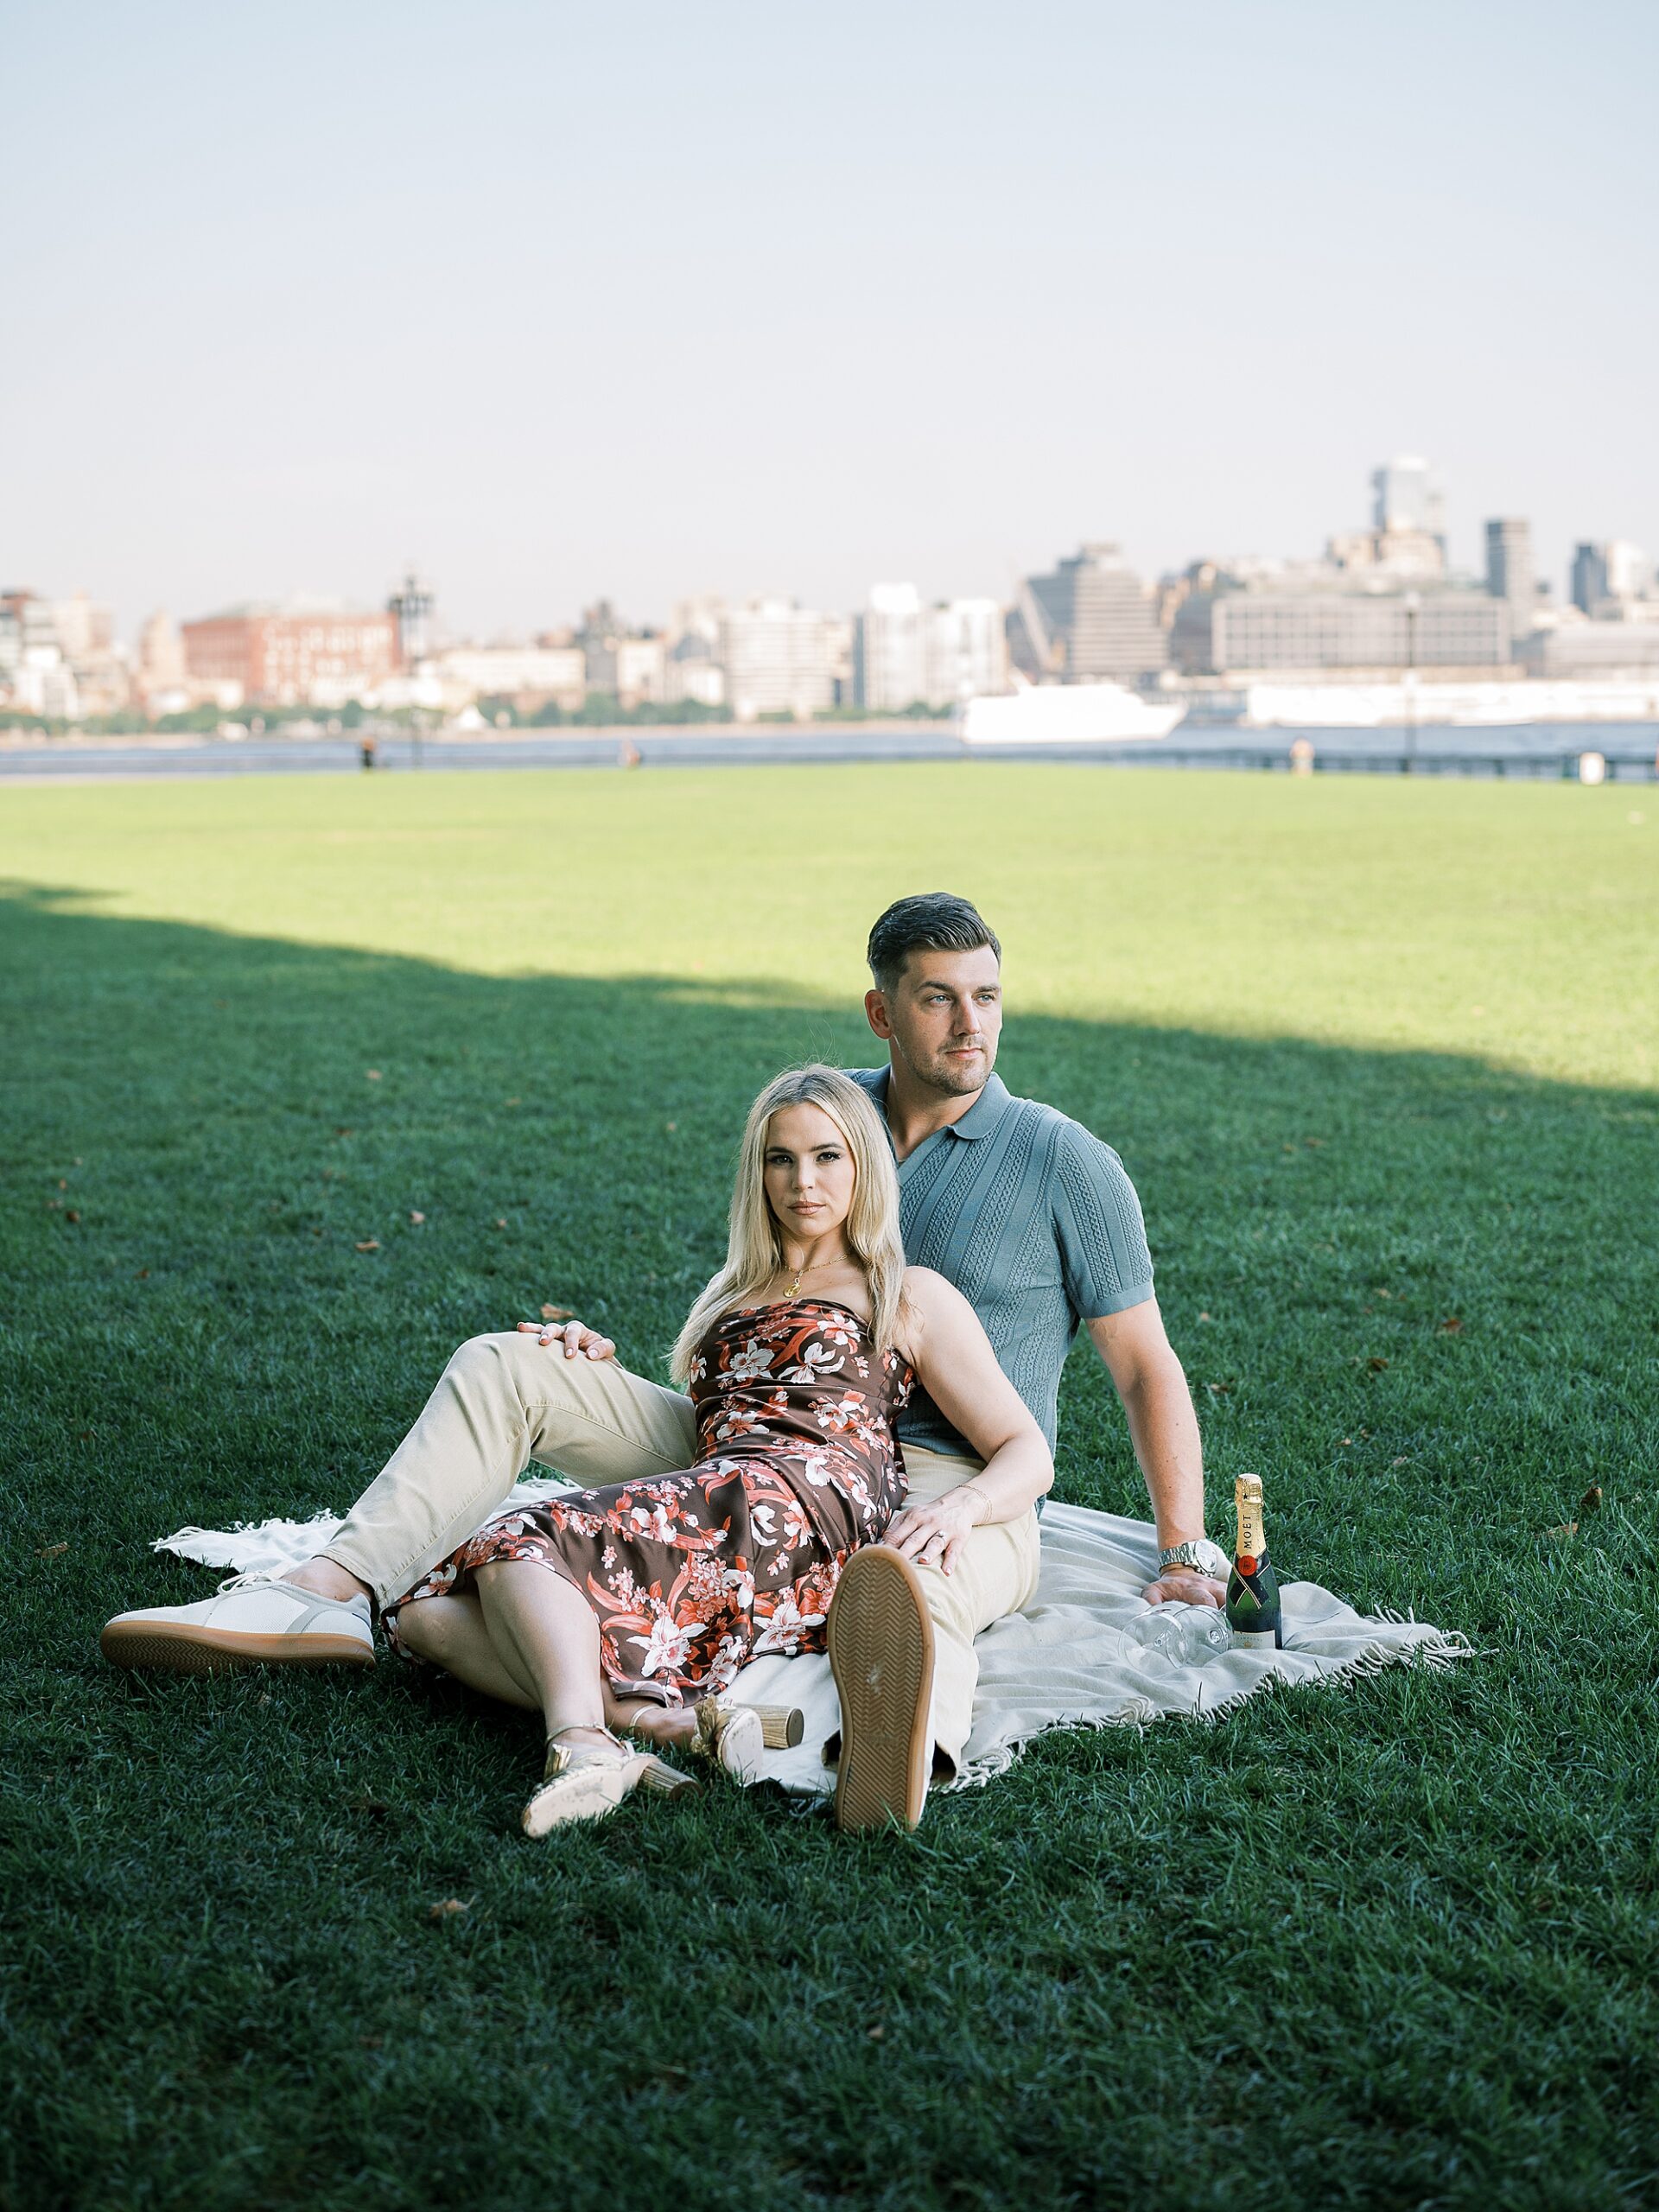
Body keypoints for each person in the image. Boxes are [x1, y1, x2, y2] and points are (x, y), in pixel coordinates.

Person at [103, 892, 1223, 1830]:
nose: (969, 1024)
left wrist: (1181, 1543)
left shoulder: (1062, 1163)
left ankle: (893, 1759)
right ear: (883, 1011)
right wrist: (598, 1363)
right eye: (937, 998)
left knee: (910, 1583)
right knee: (507, 1368)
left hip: (943, 1471)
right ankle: (335, 1594)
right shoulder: (823, 1123)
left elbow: (1144, 1368)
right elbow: (758, 1337)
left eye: (985, 996)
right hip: (753, 1435)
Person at [107, 1067, 1051, 1835]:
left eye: (828, 1157)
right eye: (781, 1159)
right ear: (756, 1173)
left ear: (865, 1168)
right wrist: (593, 1365)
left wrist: (960, 1507)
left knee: (519, 1539)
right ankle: (675, 1727)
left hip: (799, 1503)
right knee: (429, 1612)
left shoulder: (905, 1289)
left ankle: (585, 1739)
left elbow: (1023, 1448)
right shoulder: (735, 1294)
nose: (804, 1181)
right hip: (720, 1481)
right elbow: (703, 1423)